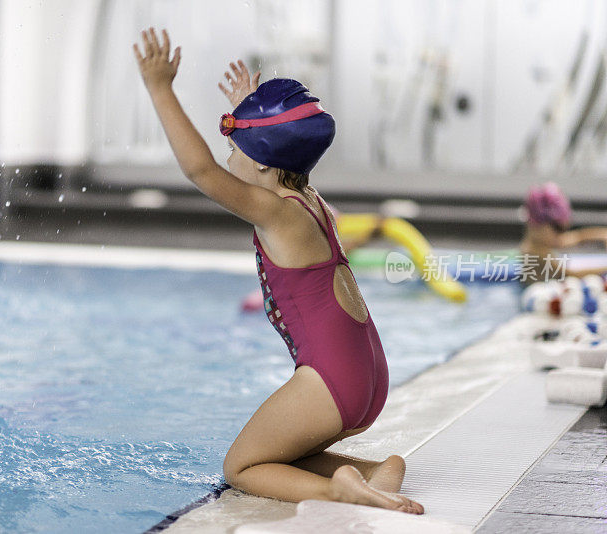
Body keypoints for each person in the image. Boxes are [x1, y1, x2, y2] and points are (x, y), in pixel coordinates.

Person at [133, 28, 422, 514]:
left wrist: (161, 89)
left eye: (237, 147)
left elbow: (202, 171)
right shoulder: (309, 201)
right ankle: (375, 473)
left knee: (241, 467)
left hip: (331, 381)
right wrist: (253, 109)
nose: (228, 155)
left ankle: (339, 490)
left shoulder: (276, 212)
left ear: (266, 165)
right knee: (283, 448)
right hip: (367, 374)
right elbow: (270, 151)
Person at [519, 182, 607, 283]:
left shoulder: (544, 241)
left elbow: (578, 237)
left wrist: (603, 235)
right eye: (558, 228)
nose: (560, 235)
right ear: (536, 225)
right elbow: (572, 274)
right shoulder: (533, 253)